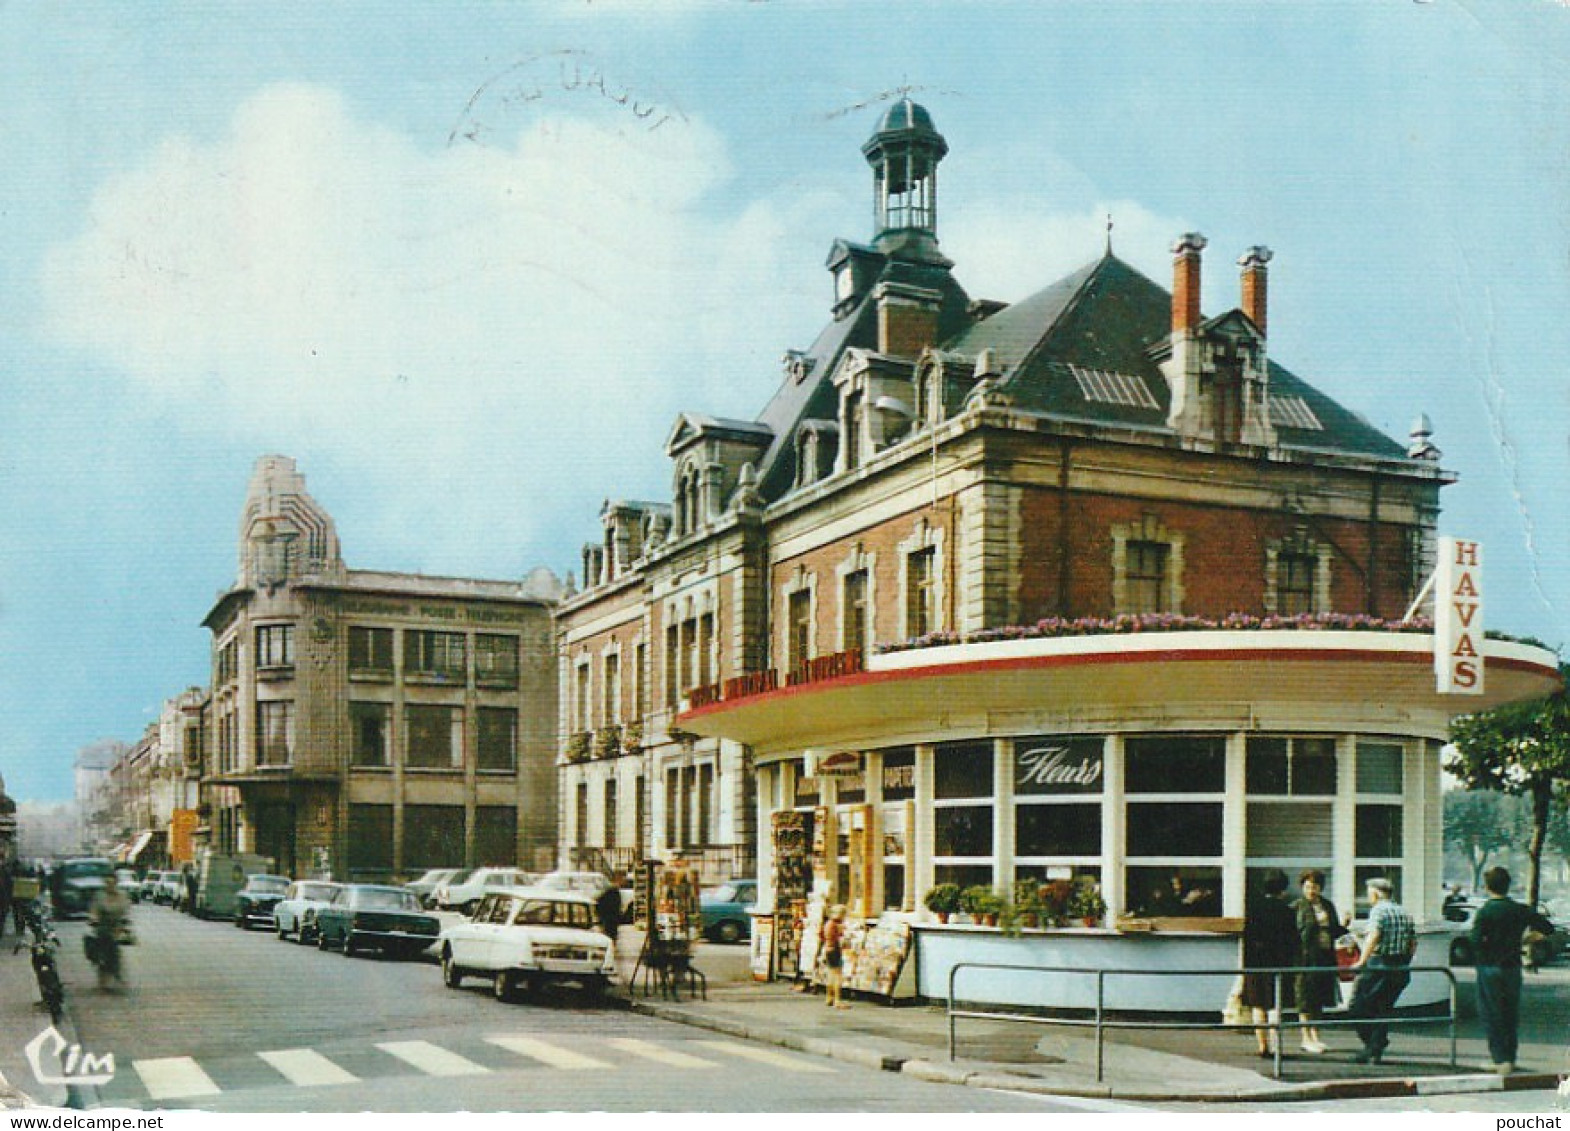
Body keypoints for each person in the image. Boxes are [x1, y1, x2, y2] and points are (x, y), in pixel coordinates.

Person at [1469, 866, 1553, 1075]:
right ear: (1508, 886)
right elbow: (1547, 928)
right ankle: (1510, 1058)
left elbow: (1475, 941)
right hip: (1512, 967)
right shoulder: (1519, 909)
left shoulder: (1485, 911)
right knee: (1509, 1012)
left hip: (1489, 967)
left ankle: (1499, 1059)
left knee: (1491, 1013)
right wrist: (1525, 939)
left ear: (1487, 887)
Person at [1345, 876, 1417, 1064]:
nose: (1368, 897)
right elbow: (1412, 941)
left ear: (1376, 894)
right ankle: (1375, 1050)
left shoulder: (1378, 911)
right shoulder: (1404, 912)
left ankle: (1373, 1044)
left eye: (1369, 893)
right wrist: (1406, 960)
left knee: (1357, 1006)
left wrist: (1361, 960)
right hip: (1400, 966)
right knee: (1383, 1009)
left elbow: (1375, 935)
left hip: (1379, 965)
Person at [1292, 868, 1349, 1054]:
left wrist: (1344, 926)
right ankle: (1305, 1037)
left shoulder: (1327, 905)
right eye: (1307, 886)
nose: (1311, 890)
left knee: (1319, 997)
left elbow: (1334, 930)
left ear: (1320, 887)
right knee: (1305, 997)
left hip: (1325, 956)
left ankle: (1316, 1036)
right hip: (1305, 957)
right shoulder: (1297, 906)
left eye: (1314, 886)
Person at [1241, 869, 1298, 1057]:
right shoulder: (1287, 911)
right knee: (1276, 1006)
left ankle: (1263, 1046)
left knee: (1258, 1006)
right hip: (1280, 964)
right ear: (1283, 889)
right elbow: (1293, 941)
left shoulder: (1254, 909)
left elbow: (1248, 938)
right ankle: (1277, 1047)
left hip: (1257, 964)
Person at [87, 874, 132, 990]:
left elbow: (126, 910)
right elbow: (94, 910)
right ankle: (102, 974)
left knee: (115, 949)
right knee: (101, 950)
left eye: (112, 883)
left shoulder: (122, 895)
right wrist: (93, 919)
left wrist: (125, 921)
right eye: (107, 883)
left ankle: (117, 971)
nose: (109, 886)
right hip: (102, 926)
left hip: (116, 927)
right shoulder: (99, 896)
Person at [821, 904, 849, 1010]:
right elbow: (840, 939)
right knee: (837, 975)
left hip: (828, 949)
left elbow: (822, 935)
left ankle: (829, 997)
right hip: (835, 950)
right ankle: (837, 1000)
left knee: (830, 974)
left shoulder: (827, 924)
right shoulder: (835, 925)